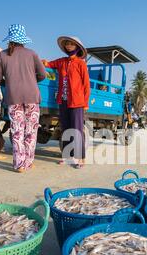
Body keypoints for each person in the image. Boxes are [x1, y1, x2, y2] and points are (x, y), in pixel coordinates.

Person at [0, 24, 46, 173]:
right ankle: (29, 163)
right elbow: (43, 75)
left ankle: (19, 165)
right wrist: (30, 80)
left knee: (17, 131)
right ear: (23, 39)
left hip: (13, 97)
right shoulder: (32, 54)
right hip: (32, 97)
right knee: (31, 131)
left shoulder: (1, 55)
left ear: (9, 39)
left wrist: (8, 83)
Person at [42, 36, 90, 169]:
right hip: (63, 101)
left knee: (77, 130)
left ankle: (81, 158)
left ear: (77, 47)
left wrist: (85, 103)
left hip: (77, 102)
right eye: (67, 44)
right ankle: (67, 156)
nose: (69, 46)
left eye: (71, 44)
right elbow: (49, 64)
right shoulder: (61, 61)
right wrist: (42, 62)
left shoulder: (81, 63)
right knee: (66, 129)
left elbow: (86, 85)